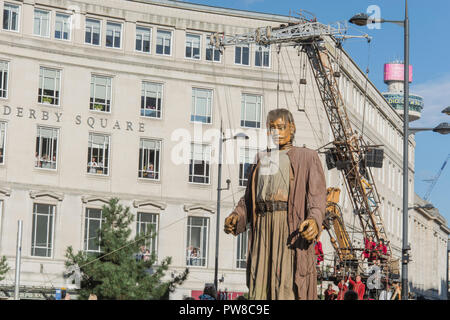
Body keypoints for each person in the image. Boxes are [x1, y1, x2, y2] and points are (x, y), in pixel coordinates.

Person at [224, 108, 327, 300]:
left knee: (286, 284)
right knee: (259, 285)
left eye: (281, 127)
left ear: (292, 127)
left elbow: (317, 197)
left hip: (289, 228)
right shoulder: (260, 159)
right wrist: (236, 216)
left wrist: (314, 220)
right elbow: (248, 200)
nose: (276, 132)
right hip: (262, 228)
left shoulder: (307, 156)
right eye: (272, 128)